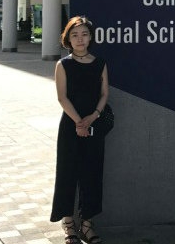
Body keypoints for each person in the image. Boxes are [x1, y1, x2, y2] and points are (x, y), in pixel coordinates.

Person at [50, 16, 109, 244]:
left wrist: (93, 117)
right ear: (68, 38)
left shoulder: (100, 63)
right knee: (67, 173)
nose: (80, 39)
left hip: (94, 124)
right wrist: (79, 122)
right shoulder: (63, 65)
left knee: (92, 174)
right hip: (70, 126)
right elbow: (62, 97)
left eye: (84, 34)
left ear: (90, 37)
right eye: (74, 35)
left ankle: (87, 224)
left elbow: (104, 94)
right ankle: (68, 224)